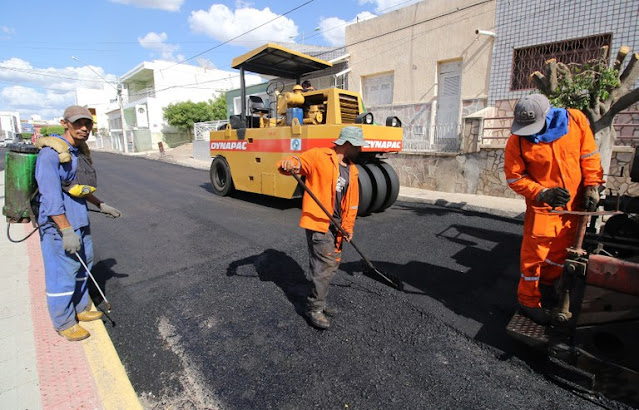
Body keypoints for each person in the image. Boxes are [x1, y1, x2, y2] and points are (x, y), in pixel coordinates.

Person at [504, 94, 604, 325]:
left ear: (548, 115)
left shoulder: (576, 120)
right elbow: (514, 178)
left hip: (573, 208)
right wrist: (541, 193)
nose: (530, 132)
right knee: (534, 257)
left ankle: (548, 288)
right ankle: (528, 301)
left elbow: (589, 156)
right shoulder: (517, 141)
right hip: (543, 209)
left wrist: (592, 186)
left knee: (560, 253)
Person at [35, 105, 122, 341]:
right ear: (65, 123)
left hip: (80, 222)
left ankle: (81, 309)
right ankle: (63, 322)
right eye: (78, 123)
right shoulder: (50, 155)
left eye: (88, 124)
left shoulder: (76, 151)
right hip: (59, 228)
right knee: (62, 274)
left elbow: (77, 188)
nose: (84, 128)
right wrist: (65, 230)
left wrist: (100, 204)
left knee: (84, 267)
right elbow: (51, 197)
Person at [278, 126, 364, 329]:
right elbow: (298, 163)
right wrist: (290, 162)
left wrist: (348, 228)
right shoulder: (319, 156)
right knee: (324, 266)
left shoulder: (353, 170)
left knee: (332, 264)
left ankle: (320, 301)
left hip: (338, 226)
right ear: (347, 144)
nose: (361, 150)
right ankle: (314, 308)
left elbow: (352, 204)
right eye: (358, 146)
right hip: (319, 222)